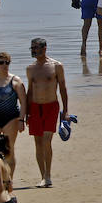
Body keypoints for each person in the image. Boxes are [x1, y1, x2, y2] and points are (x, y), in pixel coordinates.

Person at [23, 38, 67, 188]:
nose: (33, 50)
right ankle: (42, 176)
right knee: (38, 142)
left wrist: (65, 111)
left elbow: (63, 88)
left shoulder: (56, 66)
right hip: (35, 108)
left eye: (36, 48)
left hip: (51, 106)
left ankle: (48, 176)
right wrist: (26, 113)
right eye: (32, 48)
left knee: (47, 140)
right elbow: (30, 92)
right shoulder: (30, 68)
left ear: (44, 48)